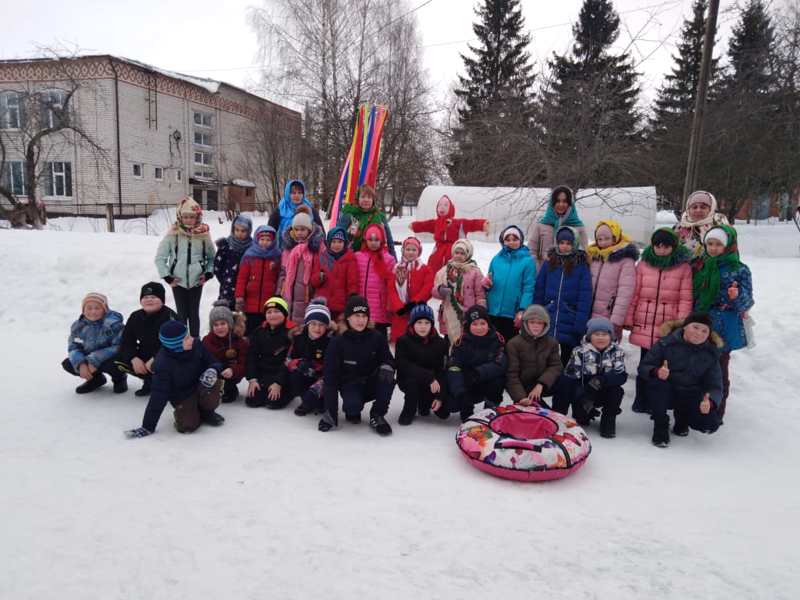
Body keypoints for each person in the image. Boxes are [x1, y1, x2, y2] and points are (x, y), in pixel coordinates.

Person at [625, 228, 693, 413]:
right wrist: (629, 317)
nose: (661, 250)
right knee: (645, 361)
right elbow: (634, 293)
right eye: (658, 246)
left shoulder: (683, 267)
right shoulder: (644, 265)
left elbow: (685, 298)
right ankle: (641, 400)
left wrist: (680, 324)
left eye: (666, 246)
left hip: (667, 324)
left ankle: (658, 402)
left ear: (673, 247)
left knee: (663, 364)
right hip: (644, 320)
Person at [692, 225, 754, 417]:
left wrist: (736, 296)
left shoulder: (739, 269)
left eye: (718, 244)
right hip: (700, 322)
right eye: (710, 243)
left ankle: (716, 410)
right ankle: (695, 406)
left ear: (728, 246)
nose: (713, 248)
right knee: (696, 366)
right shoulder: (699, 265)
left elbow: (747, 303)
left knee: (719, 368)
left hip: (724, 326)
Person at [124, 320, 225, 438]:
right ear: (176, 345)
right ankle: (189, 412)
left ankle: (207, 412)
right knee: (188, 426)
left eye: (189, 335)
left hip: (202, 384)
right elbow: (158, 396)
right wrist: (148, 426)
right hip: (182, 395)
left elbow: (213, 361)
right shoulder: (163, 364)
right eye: (186, 338)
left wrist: (213, 369)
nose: (192, 339)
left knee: (212, 392)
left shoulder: (196, 344)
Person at [638, 312, 724, 448]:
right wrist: (657, 372)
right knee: (657, 385)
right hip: (667, 390)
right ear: (685, 327)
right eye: (695, 327)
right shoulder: (666, 343)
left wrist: (711, 402)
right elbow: (644, 367)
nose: (699, 333)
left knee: (710, 423)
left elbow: (716, 385)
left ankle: (683, 420)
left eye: (704, 331)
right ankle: (661, 425)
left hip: (691, 393)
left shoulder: (711, 353)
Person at [318, 295, 394, 435]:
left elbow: (388, 359)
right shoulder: (337, 342)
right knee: (352, 407)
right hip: (350, 384)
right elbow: (330, 378)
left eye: (364, 316)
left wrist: (387, 366)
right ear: (348, 317)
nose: (361, 320)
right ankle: (353, 409)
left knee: (387, 375)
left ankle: (377, 415)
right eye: (356, 315)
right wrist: (330, 415)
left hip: (371, 381)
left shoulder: (377, 337)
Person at [154, 196, 216, 337]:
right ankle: (181, 341)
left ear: (198, 217)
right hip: (178, 282)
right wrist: (167, 277)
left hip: (196, 282)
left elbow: (212, 258)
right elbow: (160, 258)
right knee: (181, 314)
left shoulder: (203, 235)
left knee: (193, 313)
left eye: (192, 217)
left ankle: (195, 341)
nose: (188, 220)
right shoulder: (173, 234)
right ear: (180, 216)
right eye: (185, 217)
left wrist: (207, 274)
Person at [557, 317, 627, 438]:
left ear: (611, 336)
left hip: (605, 389)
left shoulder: (617, 352)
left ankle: (608, 420)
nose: (600, 337)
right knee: (582, 417)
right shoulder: (579, 351)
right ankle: (584, 412)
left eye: (604, 334)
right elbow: (570, 377)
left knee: (617, 391)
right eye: (596, 334)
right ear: (589, 336)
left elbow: (621, 375)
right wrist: (583, 395)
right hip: (585, 392)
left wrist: (603, 379)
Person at [532, 226, 592, 366]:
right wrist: (537, 314)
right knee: (544, 360)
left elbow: (585, 296)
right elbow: (539, 290)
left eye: (568, 243)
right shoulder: (549, 262)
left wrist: (580, 323)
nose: (564, 246)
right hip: (549, 318)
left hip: (569, 320)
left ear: (575, 244)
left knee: (564, 361)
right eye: (561, 242)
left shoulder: (581, 265)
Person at [115, 282, 177, 397]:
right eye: (145, 297)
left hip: (167, 354)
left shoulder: (170, 317)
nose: (149, 300)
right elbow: (127, 340)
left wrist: (155, 358)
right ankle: (149, 382)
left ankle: (167, 384)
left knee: (164, 362)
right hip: (145, 353)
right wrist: (133, 358)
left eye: (153, 297)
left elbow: (175, 344)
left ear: (162, 300)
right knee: (118, 356)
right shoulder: (135, 316)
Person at [447, 305, 508, 422]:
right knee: (451, 404)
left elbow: (501, 363)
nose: (479, 328)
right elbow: (453, 367)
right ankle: (466, 408)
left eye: (482, 323)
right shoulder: (460, 343)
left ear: (488, 324)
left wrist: (478, 373)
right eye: (474, 324)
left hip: (485, 381)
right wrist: (459, 391)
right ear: (468, 326)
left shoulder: (497, 340)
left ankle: (490, 411)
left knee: (498, 380)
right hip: (467, 383)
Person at [395, 304, 450, 425]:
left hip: (433, 382)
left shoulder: (440, 343)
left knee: (444, 413)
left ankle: (424, 402)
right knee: (412, 382)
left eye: (427, 322)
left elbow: (443, 370)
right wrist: (428, 377)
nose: (423, 326)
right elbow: (403, 365)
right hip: (409, 379)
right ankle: (409, 408)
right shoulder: (403, 341)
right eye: (419, 322)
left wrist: (440, 396)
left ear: (432, 324)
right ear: (412, 323)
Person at [62, 292, 127, 394]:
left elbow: (119, 346)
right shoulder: (78, 326)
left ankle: (119, 379)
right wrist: (81, 363)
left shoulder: (113, 325)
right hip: (89, 360)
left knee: (112, 364)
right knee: (69, 363)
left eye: (97, 308)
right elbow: (74, 347)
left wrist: (94, 359)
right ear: (83, 310)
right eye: (89, 308)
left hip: (107, 358)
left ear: (104, 310)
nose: (93, 311)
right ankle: (96, 379)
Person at [409, 194, 488, 274]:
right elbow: (424, 225)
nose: (442, 207)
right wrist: (414, 226)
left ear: (450, 208)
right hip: (438, 252)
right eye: (439, 205)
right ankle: (433, 283)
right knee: (434, 268)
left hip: (455, 252)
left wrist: (482, 224)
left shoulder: (459, 223)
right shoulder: (436, 223)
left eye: (446, 205)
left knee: (453, 273)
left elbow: (471, 224)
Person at [586, 219, 638, 341]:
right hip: (590, 314)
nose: (603, 243)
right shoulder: (594, 256)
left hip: (610, 316)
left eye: (607, 238)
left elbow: (625, 292)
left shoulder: (625, 260)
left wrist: (616, 320)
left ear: (615, 237)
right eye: (599, 239)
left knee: (608, 351)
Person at [483, 225, 536, 342]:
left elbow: (529, 288)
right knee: (492, 345)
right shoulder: (496, 259)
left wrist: (522, 309)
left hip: (512, 313)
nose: (511, 242)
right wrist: (486, 285)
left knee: (509, 347)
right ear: (503, 241)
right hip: (493, 311)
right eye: (508, 239)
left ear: (520, 241)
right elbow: (489, 280)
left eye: (514, 239)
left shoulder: (527, 261)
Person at [505, 304, 563, 409]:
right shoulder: (513, 344)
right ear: (525, 323)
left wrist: (541, 384)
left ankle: (559, 414)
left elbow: (556, 366)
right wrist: (520, 397)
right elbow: (511, 375)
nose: (536, 326)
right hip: (524, 387)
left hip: (543, 384)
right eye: (532, 322)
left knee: (565, 382)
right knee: (537, 413)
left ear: (545, 325)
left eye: (540, 323)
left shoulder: (552, 342)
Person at [432, 239, 486, 345]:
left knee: (467, 340)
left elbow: (480, 294)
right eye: (457, 253)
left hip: (467, 314)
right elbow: (434, 290)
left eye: (462, 253)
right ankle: (450, 360)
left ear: (468, 255)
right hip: (449, 313)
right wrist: (440, 291)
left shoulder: (475, 271)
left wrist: (481, 312)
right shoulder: (444, 271)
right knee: (449, 340)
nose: (459, 255)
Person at [277, 208, 325, 323]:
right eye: (296, 229)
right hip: (288, 295)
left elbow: (321, 270)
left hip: (307, 295)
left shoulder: (316, 248)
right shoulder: (288, 249)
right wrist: (280, 291)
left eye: (303, 229)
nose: (299, 232)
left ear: (309, 230)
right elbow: (283, 272)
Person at [288, 299, 334, 417]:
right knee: (295, 376)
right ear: (307, 324)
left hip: (322, 379)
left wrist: (317, 371)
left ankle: (314, 399)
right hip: (304, 374)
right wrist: (299, 363)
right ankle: (306, 402)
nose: (317, 328)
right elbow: (289, 360)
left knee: (320, 405)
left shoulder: (331, 342)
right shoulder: (299, 338)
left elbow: (333, 369)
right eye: (313, 324)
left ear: (326, 326)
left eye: (321, 325)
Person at [245, 297, 292, 409]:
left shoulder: (292, 333)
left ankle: (288, 391)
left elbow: (289, 361)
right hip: (264, 373)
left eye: (277, 311)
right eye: (269, 312)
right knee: (252, 400)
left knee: (274, 402)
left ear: (284, 314)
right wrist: (252, 379)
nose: (272, 315)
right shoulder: (259, 331)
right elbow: (252, 356)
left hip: (283, 375)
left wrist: (278, 383)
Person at [528, 185, 589, 269]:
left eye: (564, 201)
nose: (561, 204)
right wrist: (538, 268)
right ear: (552, 203)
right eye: (557, 201)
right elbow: (531, 251)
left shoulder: (578, 227)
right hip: (544, 276)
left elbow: (584, 254)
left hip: (568, 276)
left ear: (570, 204)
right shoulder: (541, 225)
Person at [235, 225, 281, 335]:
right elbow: (242, 278)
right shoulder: (249, 256)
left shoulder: (277, 256)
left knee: (265, 331)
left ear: (273, 241)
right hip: (250, 304)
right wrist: (239, 296)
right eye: (262, 239)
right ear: (257, 239)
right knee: (250, 331)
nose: (265, 242)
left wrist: (278, 294)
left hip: (268, 304)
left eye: (268, 240)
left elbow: (279, 277)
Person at [353, 223, 396, 337]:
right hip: (361, 305)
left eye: (376, 240)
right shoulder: (358, 256)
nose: (373, 243)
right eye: (370, 239)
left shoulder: (388, 259)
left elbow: (391, 285)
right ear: (365, 240)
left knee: (378, 338)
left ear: (382, 241)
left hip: (379, 307)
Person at [388, 236, 434, 343]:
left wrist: (414, 303)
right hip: (400, 313)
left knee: (417, 339)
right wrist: (398, 307)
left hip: (418, 311)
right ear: (403, 251)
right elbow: (391, 289)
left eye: (414, 250)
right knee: (400, 341)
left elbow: (428, 287)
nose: (411, 252)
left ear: (419, 252)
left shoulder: (425, 269)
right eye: (408, 249)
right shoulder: (396, 269)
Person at [202, 301, 249, 404]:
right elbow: (201, 360)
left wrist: (233, 370)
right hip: (212, 374)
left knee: (228, 395)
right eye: (216, 325)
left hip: (230, 375)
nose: (219, 328)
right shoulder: (206, 340)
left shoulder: (240, 342)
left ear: (230, 324)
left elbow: (244, 363)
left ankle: (229, 389)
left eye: (223, 323)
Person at [337, 184, 397, 259]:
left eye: (369, 197)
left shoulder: (380, 216)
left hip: (374, 258)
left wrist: (394, 260)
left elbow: (389, 240)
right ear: (358, 199)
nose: (366, 200)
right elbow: (337, 236)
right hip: (351, 258)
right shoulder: (349, 214)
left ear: (373, 200)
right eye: (363, 197)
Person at [315, 227, 359, 321]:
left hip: (341, 305)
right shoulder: (322, 257)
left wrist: (352, 297)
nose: (336, 245)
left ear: (345, 243)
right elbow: (313, 281)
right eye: (333, 241)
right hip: (324, 304)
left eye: (340, 242)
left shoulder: (350, 259)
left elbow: (353, 281)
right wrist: (319, 277)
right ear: (328, 243)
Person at [269, 179, 325, 249]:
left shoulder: (310, 209)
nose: (297, 195)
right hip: (285, 250)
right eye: (293, 193)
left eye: (300, 193)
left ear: (303, 194)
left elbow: (321, 232)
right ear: (288, 194)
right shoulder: (280, 209)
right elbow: (269, 233)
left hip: (307, 251)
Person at [675, 190, 730, 258]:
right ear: (688, 209)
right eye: (694, 207)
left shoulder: (720, 225)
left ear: (711, 209)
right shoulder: (680, 227)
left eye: (703, 207)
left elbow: (731, 250)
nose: (698, 210)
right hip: (684, 267)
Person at [213, 214, 253, 308]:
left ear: (249, 231)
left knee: (241, 315)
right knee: (226, 313)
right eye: (237, 230)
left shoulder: (252, 247)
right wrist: (225, 279)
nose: (239, 233)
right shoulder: (226, 245)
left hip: (245, 288)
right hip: (227, 286)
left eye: (243, 231)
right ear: (233, 229)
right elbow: (217, 265)